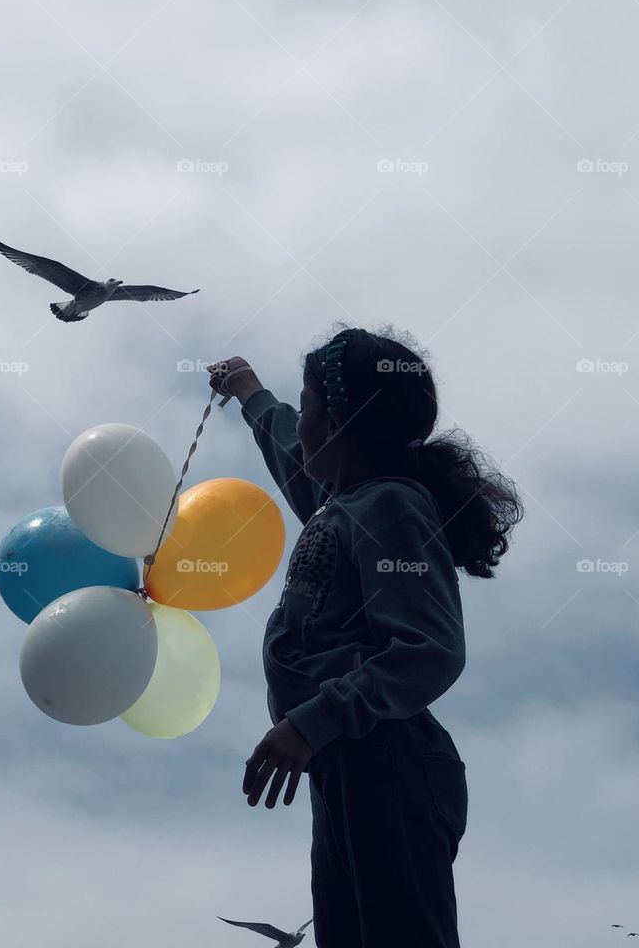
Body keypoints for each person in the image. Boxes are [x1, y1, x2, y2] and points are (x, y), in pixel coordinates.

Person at [207, 326, 523, 948]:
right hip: (347, 764)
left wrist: (311, 721)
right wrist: (253, 397)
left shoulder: (390, 507)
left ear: (336, 425)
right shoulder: (348, 501)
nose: (298, 423)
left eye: (308, 407)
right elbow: (296, 462)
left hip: (390, 763)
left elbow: (431, 648)